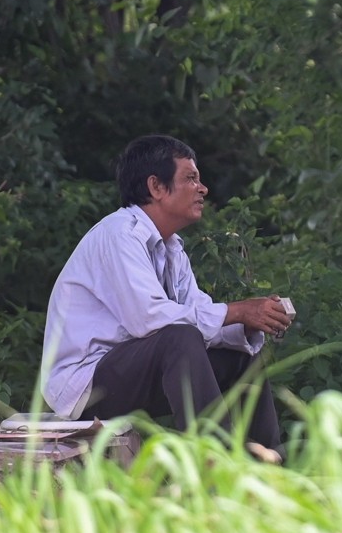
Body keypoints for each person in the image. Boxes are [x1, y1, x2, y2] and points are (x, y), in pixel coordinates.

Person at [41, 134, 295, 456]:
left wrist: (249, 322)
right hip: (85, 387)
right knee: (179, 338)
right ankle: (216, 463)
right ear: (156, 187)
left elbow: (200, 313)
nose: (202, 189)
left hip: (132, 371)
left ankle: (266, 462)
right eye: (190, 178)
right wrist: (238, 311)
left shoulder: (172, 249)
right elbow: (149, 320)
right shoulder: (119, 235)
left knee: (238, 353)